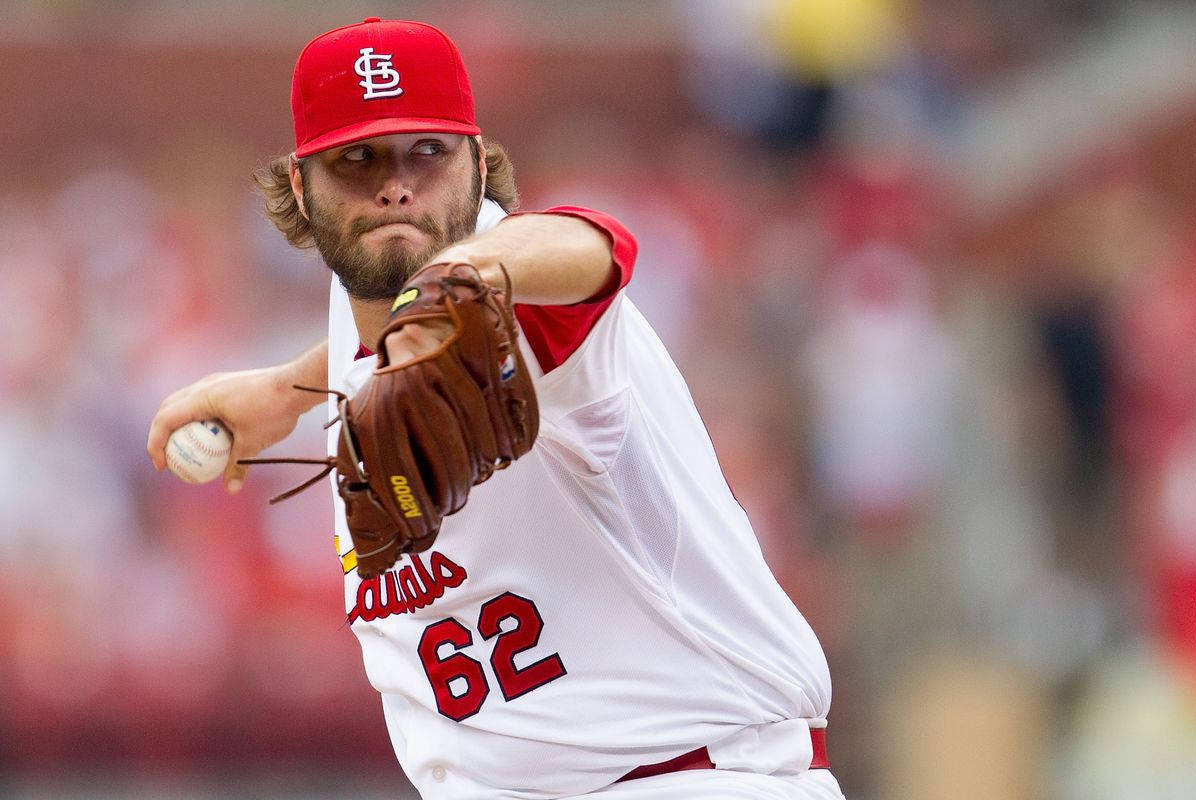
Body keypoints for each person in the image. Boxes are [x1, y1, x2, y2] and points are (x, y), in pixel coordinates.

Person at [147, 18, 843, 800]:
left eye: (428, 153)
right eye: (358, 159)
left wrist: (465, 271)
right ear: (301, 190)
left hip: (686, 776)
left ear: (479, 168)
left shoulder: (516, 300)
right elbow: (377, 328)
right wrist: (287, 389)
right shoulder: (376, 296)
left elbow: (599, 249)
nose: (395, 186)